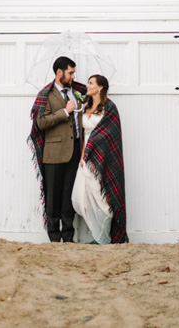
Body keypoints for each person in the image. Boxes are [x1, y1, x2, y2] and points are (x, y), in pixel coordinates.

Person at [28, 56, 86, 242]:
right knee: (53, 197)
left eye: (74, 72)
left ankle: (68, 237)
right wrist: (65, 112)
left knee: (69, 195)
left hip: (74, 151)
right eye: (70, 72)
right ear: (59, 72)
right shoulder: (46, 94)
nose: (73, 76)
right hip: (53, 154)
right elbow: (41, 122)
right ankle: (54, 237)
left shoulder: (77, 92)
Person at [72, 74, 128, 244]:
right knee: (82, 197)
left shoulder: (109, 108)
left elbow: (109, 134)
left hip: (102, 159)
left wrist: (90, 151)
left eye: (91, 83)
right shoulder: (85, 106)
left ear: (101, 87)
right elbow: (84, 136)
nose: (87, 86)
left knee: (102, 199)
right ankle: (99, 234)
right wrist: (83, 155)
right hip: (86, 158)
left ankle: (103, 238)